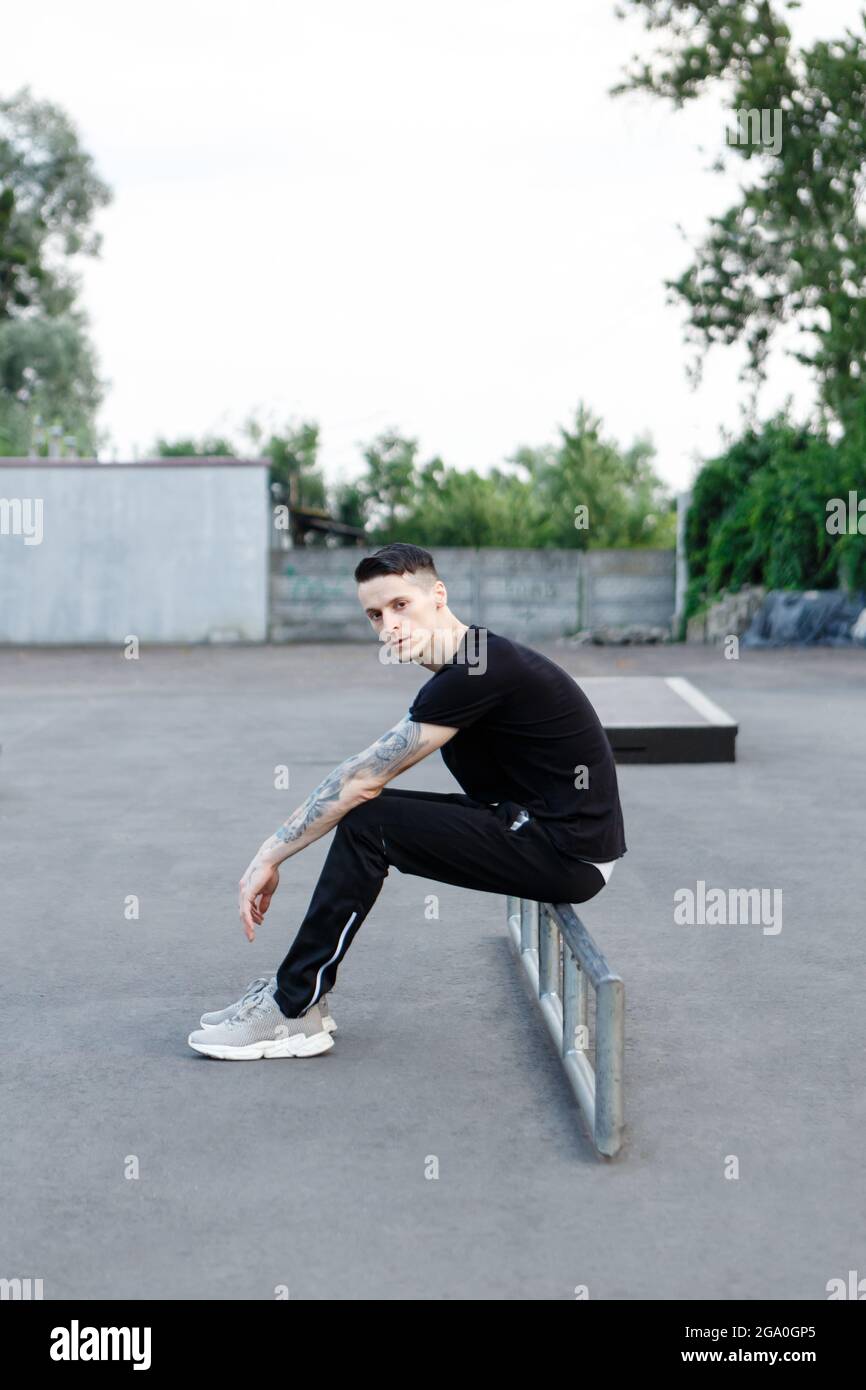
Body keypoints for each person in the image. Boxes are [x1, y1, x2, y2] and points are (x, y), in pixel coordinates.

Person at [188, 542, 626, 1060]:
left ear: (437, 596)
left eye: (400, 605)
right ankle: (301, 994)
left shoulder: (477, 671)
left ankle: (292, 1008)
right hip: (531, 826)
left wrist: (269, 854)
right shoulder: (468, 665)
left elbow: (359, 780)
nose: (388, 625)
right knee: (370, 817)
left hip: (566, 852)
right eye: (375, 615)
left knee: (368, 821)